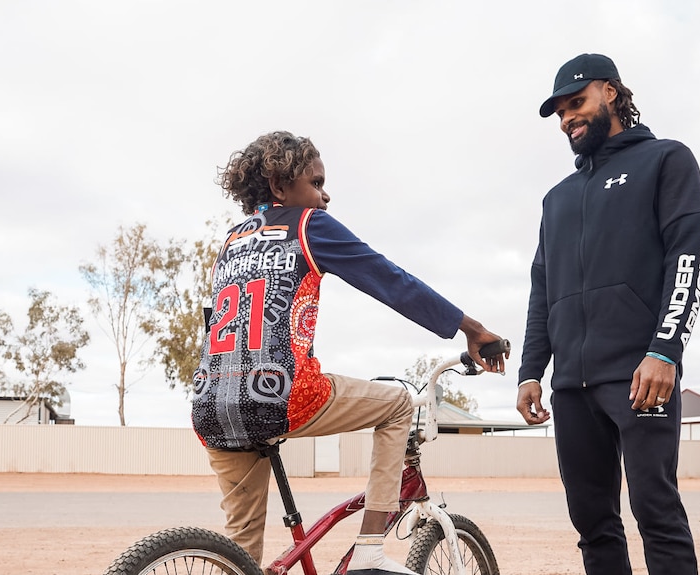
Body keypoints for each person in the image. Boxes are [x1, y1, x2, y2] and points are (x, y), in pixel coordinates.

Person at [191, 130, 507, 575]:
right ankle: (370, 549)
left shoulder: (231, 241)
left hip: (210, 401)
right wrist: (471, 328)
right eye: (316, 183)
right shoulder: (308, 225)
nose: (325, 196)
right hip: (280, 394)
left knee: (241, 550)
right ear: (280, 187)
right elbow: (391, 281)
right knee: (398, 405)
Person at [516, 54, 700, 575]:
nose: (567, 120)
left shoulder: (666, 160)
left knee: (655, 511)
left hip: (639, 375)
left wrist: (665, 350)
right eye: (559, 113)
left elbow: (688, 260)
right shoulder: (557, 198)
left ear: (611, 92)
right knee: (592, 523)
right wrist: (532, 370)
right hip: (571, 386)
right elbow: (543, 288)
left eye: (576, 103)